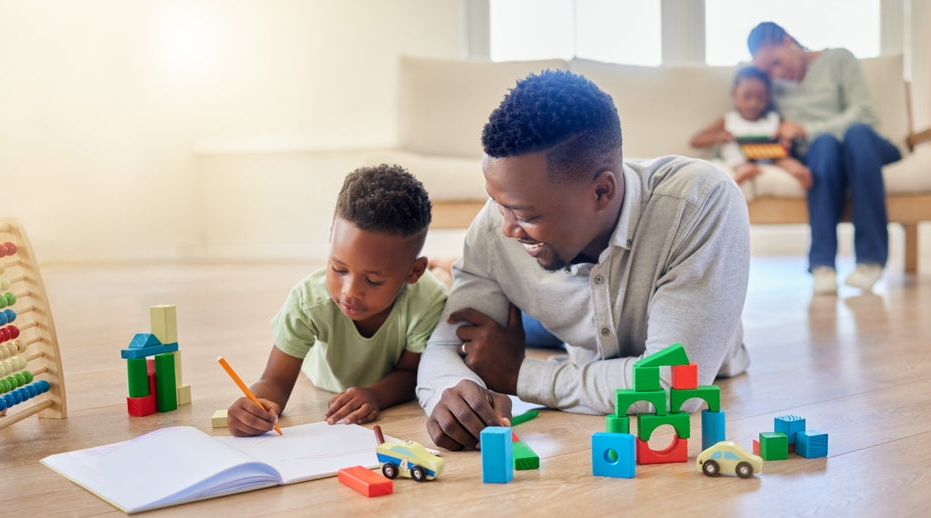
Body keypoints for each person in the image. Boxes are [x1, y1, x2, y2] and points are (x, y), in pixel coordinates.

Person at [415, 70, 751, 451]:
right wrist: (455, 393)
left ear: (602, 191)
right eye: (498, 204)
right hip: (565, 330)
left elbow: (674, 385)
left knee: (512, 342)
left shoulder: (701, 202)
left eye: (525, 215)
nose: (506, 228)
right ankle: (455, 271)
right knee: (503, 329)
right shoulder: (496, 227)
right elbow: (447, 346)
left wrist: (520, 374)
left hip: (694, 351)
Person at [227, 164, 447, 436]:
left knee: (448, 286)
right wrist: (254, 405)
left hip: (392, 363)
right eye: (339, 269)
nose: (349, 292)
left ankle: (443, 267)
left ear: (413, 272)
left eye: (373, 280)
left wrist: (375, 394)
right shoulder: (308, 301)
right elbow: (274, 381)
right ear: (331, 238)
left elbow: (411, 372)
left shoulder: (427, 302)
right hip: (321, 376)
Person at [748, 21, 902, 295]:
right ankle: (823, 266)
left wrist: (806, 129)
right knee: (824, 145)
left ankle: (870, 261)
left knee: (855, 134)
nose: (777, 74)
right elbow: (756, 121)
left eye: (776, 62)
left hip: (864, 148)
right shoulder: (773, 86)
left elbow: (864, 114)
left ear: (787, 41)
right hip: (823, 158)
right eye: (768, 70)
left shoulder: (839, 59)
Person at [691, 66, 811, 188]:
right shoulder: (729, 119)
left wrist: (785, 142)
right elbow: (695, 141)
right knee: (735, 156)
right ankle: (743, 169)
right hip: (740, 158)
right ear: (735, 94)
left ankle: (798, 171)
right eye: (747, 96)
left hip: (770, 157)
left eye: (760, 98)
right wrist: (718, 137)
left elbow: (786, 136)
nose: (753, 103)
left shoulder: (774, 119)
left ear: (768, 97)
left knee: (784, 160)